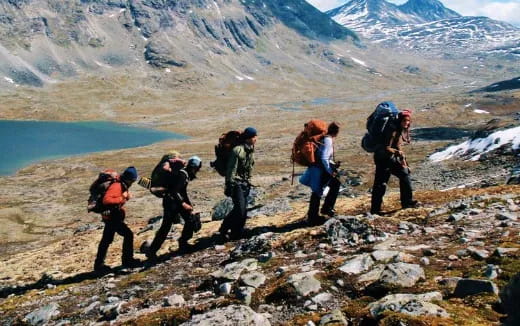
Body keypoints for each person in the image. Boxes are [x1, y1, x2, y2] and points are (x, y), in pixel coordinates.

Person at [146, 156, 202, 259]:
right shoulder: (183, 175)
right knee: (167, 226)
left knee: (187, 220)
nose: (197, 171)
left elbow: (181, 191)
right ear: (195, 168)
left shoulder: (183, 174)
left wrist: (188, 204)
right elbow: (175, 191)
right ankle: (153, 251)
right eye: (197, 169)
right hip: (172, 203)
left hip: (173, 202)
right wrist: (183, 204)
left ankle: (181, 244)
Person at [370, 110, 418, 215]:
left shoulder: (398, 129)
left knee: (403, 175)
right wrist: (398, 153)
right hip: (383, 159)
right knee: (381, 184)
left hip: (387, 158)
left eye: (408, 121)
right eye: (405, 120)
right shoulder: (392, 131)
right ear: (400, 120)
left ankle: (406, 202)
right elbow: (387, 147)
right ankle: (376, 210)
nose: (407, 123)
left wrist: (404, 163)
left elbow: (397, 146)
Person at [94, 166, 139, 273]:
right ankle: (127, 261)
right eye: (132, 181)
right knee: (128, 235)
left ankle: (99, 265)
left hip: (110, 217)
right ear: (129, 179)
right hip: (113, 218)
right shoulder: (117, 186)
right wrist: (123, 197)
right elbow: (107, 201)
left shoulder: (120, 181)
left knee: (106, 240)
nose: (132, 183)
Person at [218, 127, 257, 241]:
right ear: (250, 138)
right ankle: (224, 229)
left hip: (245, 183)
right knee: (240, 209)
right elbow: (231, 169)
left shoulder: (250, 149)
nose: (256, 139)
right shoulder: (237, 151)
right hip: (236, 183)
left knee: (242, 210)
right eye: (255, 136)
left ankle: (237, 232)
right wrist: (229, 184)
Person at [300, 122, 341, 225]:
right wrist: (330, 171)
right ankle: (317, 215)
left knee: (319, 190)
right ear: (336, 132)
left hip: (317, 168)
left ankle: (317, 214)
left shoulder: (324, 138)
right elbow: (324, 157)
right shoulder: (328, 140)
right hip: (320, 169)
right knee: (321, 190)